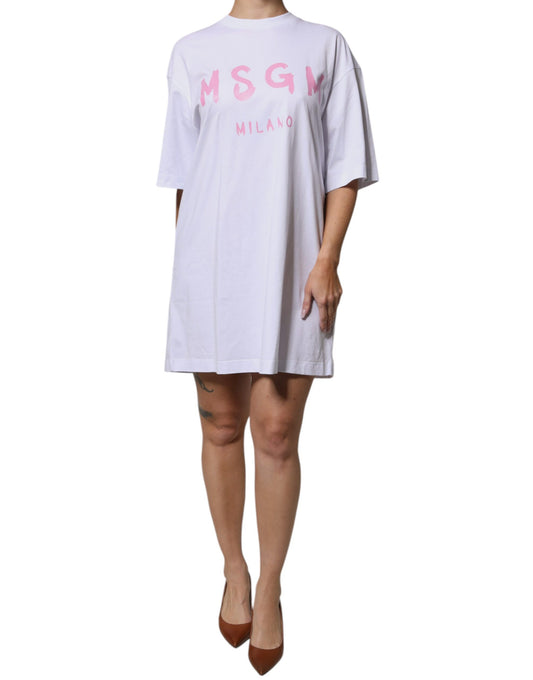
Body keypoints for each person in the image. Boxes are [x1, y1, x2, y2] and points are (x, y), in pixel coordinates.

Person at [155, 0, 379, 673]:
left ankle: (272, 586)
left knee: (276, 434)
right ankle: (234, 570)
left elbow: (345, 167)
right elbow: (185, 180)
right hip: (210, 269)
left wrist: (327, 259)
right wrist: (190, 278)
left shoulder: (325, 46)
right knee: (221, 425)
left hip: (292, 267)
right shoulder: (192, 51)